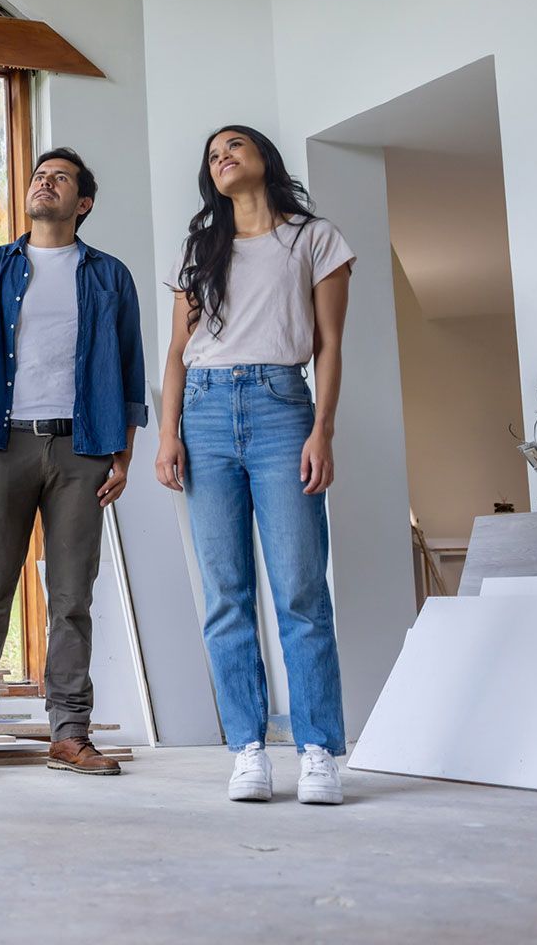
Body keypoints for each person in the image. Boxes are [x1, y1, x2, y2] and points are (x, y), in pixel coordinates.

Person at [153, 125, 354, 805]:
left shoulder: (313, 239)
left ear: (263, 157)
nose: (223, 157)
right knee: (226, 594)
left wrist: (321, 430)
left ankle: (319, 748)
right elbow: (177, 353)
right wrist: (167, 435)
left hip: (280, 408)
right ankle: (247, 749)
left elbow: (328, 346)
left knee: (300, 589)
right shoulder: (201, 249)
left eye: (234, 145)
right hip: (205, 416)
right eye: (212, 154)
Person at [0, 149, 147, 779]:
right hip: (5, 443)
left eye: (59, 179)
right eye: (38, 175)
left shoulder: (110, 276)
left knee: (72, 597)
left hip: (83, 448)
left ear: (82, 203)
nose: (44, 182)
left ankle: (69, 732)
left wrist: (124, 453)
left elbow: (131, 365)